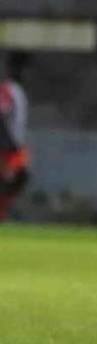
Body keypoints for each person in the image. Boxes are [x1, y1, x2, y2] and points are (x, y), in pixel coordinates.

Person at [0, 53, 31, 221]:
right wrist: (6, 145)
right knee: (14, 179)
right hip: (8, 147)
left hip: (15, 147)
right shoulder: (9, 89)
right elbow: (2, 115)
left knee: (18, 179)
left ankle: (2, 213)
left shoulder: (18, 91)